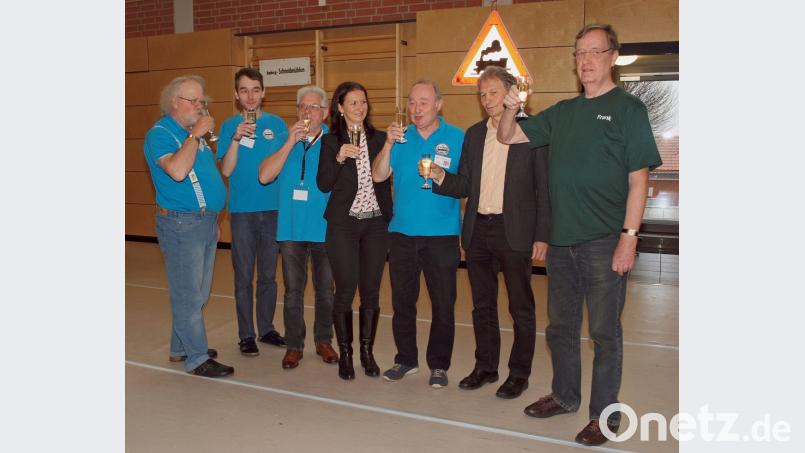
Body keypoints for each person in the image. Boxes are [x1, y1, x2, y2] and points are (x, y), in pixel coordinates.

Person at [497, 24, 662, 446]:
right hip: (562, 242)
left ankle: (604, 417)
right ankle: (565, 396)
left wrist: (629, 237)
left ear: (612, 57)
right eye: (578, 53)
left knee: (605, 333)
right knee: (561, 328)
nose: (585, 60)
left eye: (593, 51)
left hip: (605, 240)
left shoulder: (628, 109)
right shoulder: (563, 112)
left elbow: (639, 179)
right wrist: (510, 107)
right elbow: (507, 135)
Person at [430, 66, 550, 399]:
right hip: (479, 229)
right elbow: (466, 184)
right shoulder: (473, 134)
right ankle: (486, 366)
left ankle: (519, 373)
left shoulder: (532, 130)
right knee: (482, 305)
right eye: (482, 95)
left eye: (493, 93)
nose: (486, 100)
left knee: (520, 307)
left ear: (512, 93)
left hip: (516, 231)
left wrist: (542, 235)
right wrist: (440, 176)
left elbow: (544, 187)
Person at [371, 80, 464, 388]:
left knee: (442, 303)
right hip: (402, 233)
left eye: (423, 102)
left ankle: (439, 365)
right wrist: (387, 144)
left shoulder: (457, 137)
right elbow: (378, 175)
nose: (416, 109)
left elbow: (466, 183)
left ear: (438, 105)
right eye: (411, 102)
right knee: (402, 301)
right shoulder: (400, 138)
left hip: (442, 234)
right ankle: (405, 360)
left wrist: (441, 174)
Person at [143, 75, 234, 378]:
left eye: (201, 101)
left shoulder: (188, 133)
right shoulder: (161, 135)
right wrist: (195, 135)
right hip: (181, 225)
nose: (199, 106)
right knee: (188, 296)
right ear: (174, 102)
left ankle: (180, 347)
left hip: (203, 223)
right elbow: (178, 171)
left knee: (197, 293)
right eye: (193, 100)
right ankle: (196, 358)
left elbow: (206, 178)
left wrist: (212, 220)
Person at [257, 85, 339, 369]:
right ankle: (294, 344)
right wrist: (289, 143)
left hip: (326, 229)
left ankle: (324, 340)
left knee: (326, 291)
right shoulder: (283, 139)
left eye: (313, 107)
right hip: (291, 229)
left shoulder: (335, 141)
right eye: (302, 106)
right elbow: (265, 176)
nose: (307, 112)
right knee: (293, 291)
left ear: (325, 113)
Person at [317, 81, 392, 381]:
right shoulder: (330, 141)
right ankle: (345, 354)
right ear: (339, 108)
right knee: (345, 290)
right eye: (353, 103)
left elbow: (388, 177)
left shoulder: (381, 139)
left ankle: (366, 353)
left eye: (363, 102)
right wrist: (338, 159)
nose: (360, 108)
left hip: (375, 223)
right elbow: (323, 184)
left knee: (371, 293)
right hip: (343, 225)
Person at [217, 68, 287, 357]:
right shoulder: (228, 127)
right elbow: (227, 169)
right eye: (244, 90)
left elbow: (285, 164)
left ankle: (267, 328)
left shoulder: (278, 124)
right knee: (244, 276)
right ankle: (246, 335)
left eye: (255, 89)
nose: (250, 96)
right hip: (243, 212)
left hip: (272, 210)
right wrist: (235, 139)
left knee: (269, 276)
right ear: (236, 95)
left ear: (263, 92)